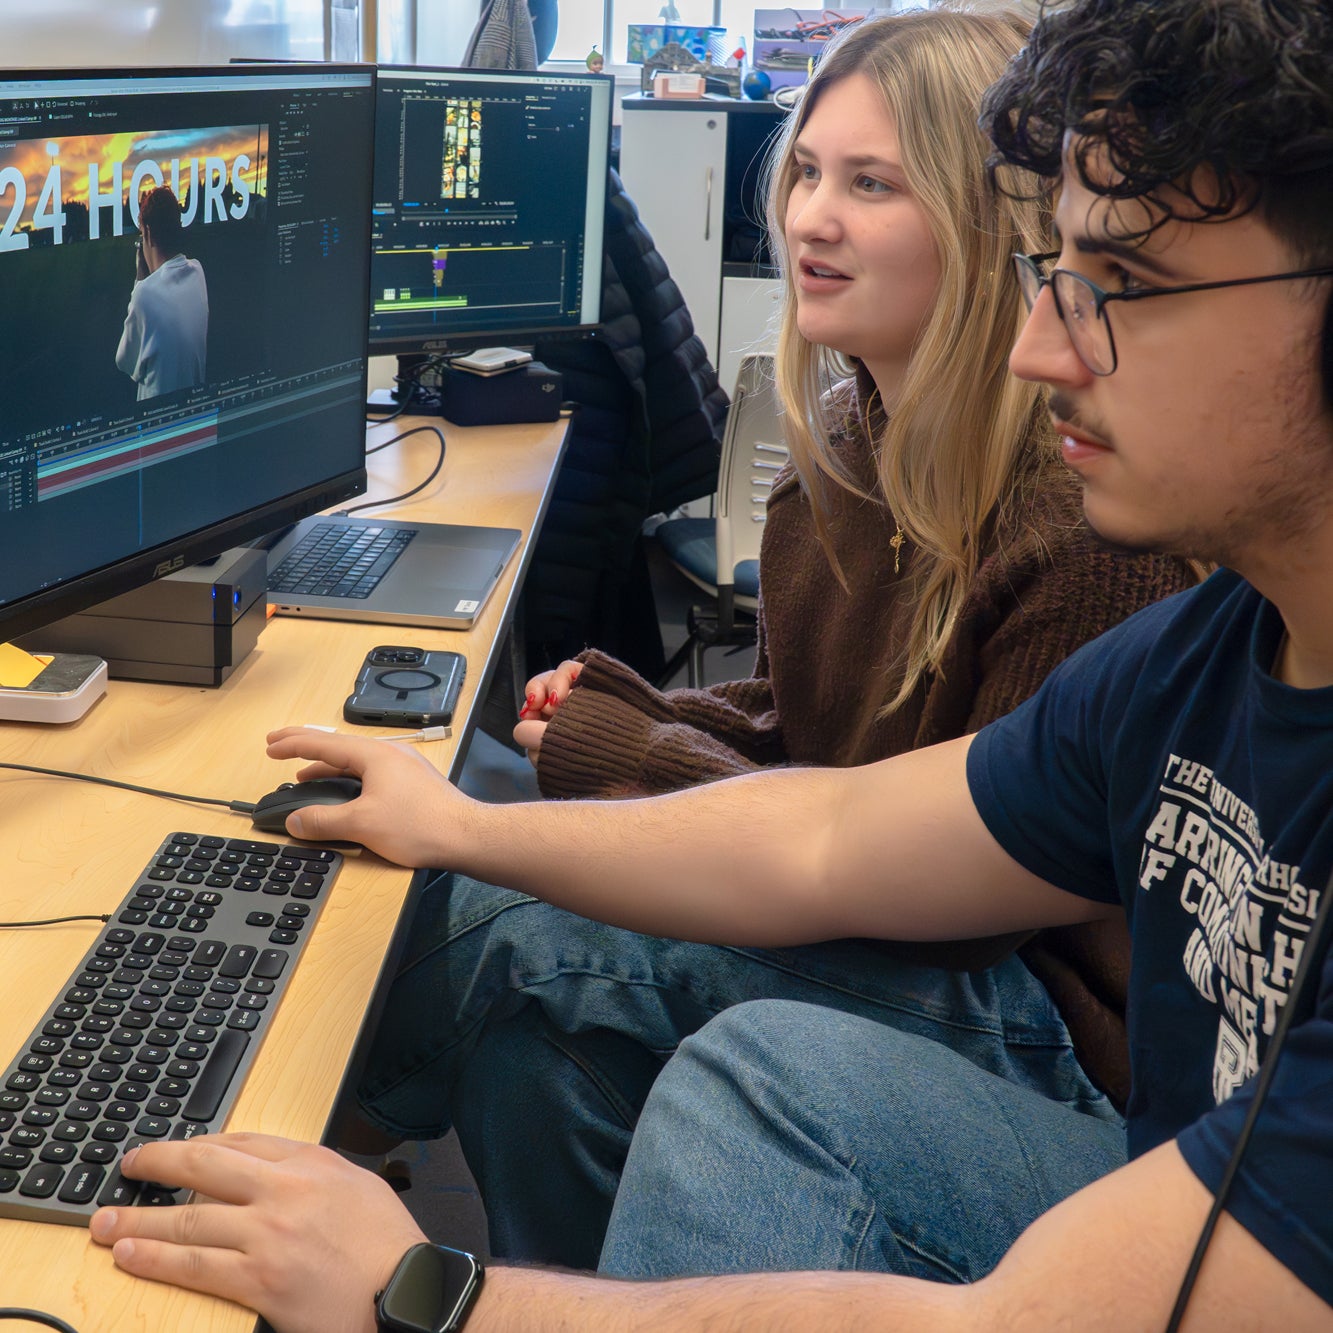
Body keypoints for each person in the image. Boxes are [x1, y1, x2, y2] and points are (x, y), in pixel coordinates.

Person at [88, 0, 1333, 1326]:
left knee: (740, 1064)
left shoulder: (1094, 555)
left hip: (1089, 1108)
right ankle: (228, 1163)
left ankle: (207, 1160)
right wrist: (456, 821)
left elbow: (1015, 1318)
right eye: (1056, 280)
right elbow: (833, 828)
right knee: (527, 1024)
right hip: (1152, 1159)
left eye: (1121, 288)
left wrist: (423, 1295)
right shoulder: (1196, 656)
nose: (1043, 347)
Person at [345, 7, 1195, 1268]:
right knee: (540, 1049)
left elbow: (939, 888)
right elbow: (814, 728)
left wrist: (616, 763)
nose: (809, 217)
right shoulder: (846, 447)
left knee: (527, 919)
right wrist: (641, 714)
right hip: (898, 910)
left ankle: (247, 1126)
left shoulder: (1072, 527)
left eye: (870, 184)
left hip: (1046, 1017)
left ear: (982, 226)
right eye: (804, 172)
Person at [115, 185, 209, 401]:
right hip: (194, 413)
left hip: (156, 421)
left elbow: (123, 361)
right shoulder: (198, 272)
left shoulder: (144, 294)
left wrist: (139, 281)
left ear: (147, 232)